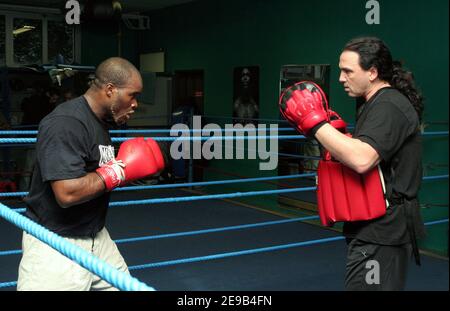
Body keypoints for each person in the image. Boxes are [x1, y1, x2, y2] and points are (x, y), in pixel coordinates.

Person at [279, 37, 425, 290]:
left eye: (348, 71)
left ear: (372, 72)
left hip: (383, 232)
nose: (340, 78)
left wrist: (315, 123)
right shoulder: (375, 103)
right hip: (373, 228)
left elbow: (361, 159)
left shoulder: (388, 105)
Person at [17, 57, 165, 291]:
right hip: (57, 244)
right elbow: (66, 193)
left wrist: (121, 174)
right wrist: (118, 172)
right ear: (110, 90)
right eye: (132, 95)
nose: (136, 104)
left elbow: (97, 174)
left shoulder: (100, 122)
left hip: (96, 236)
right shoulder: (66, 123)